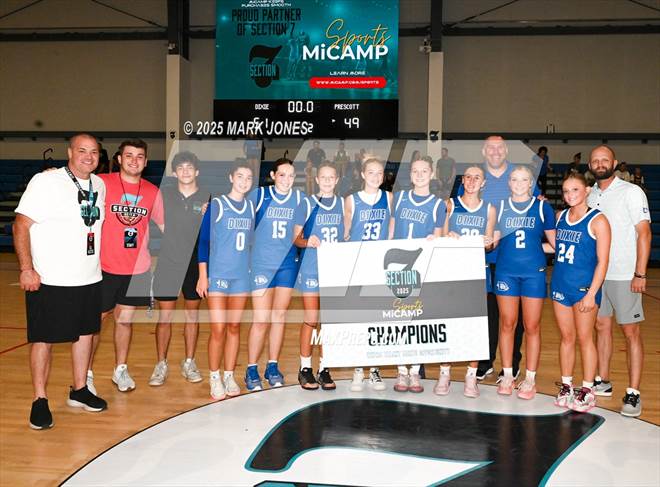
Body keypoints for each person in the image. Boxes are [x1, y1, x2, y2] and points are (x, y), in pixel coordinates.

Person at [14, 133, 107, 429]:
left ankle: (79, 389)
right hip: (50, 279)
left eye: (94, 152)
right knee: (44, 339)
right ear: (69, 152)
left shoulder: (99, 185)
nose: (88, 157)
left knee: (85, 335)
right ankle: (39, 399)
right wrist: (26, 268)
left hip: (89, 276)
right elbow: (20, 225)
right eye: (82, 150)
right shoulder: (46, 182)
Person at [458, 136, 540, 382]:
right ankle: (484, 362)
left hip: (513, 259)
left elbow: (535, 206)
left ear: (506, 150)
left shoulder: (519, 175)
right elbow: (461, 209)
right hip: (481, 258)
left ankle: (511, 364)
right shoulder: (475, 176)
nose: (495, 151)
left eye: (499, 147)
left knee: (514, 319)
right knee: (488, 315)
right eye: (490, 147)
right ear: (484, 151)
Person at [89, 139, 165, 393]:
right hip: (103, 267)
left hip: (137, 269)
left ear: (146, 161)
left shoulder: (152, 192)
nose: (134, 160)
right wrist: (52, 174)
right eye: (129, 155)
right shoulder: (101, 183)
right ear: (120, 159)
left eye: (139, 156)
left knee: (125, 321)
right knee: (94, 322)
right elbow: (74, 184)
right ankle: (85, 373)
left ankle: (120, 369)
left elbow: (166, 227)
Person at [587, 145, 651, 417]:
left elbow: (644, 233)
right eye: (595, 160)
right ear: (590, 165)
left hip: (625, 275)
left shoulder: (631, 191)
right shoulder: (590, 194)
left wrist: (640, 273)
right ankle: (602, 380)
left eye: (605, 159)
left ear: (614, 163)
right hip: (597, 275)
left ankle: (633, 393)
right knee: (601, 327)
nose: (600, 164)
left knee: (630, 332)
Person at [494, 165, 556, 399]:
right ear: (508, 183)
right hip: (506, 273)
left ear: (531, 183)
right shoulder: (499, 207)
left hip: (533, 274)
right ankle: (508, 375)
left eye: (524, 180)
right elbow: (493, 241)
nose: (519, 184)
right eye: (514, 179)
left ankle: (530, 379)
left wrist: (535, 248)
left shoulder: (542, 207)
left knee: (532, 326)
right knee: (507, 324)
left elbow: (555, 245)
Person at [550, 172, 611, 413]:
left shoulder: (599, 220)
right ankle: (567, 385)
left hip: (584, 289)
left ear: (587, 190)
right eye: (566, 191)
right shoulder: (560, 217)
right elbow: (557, 248)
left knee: (585, 338)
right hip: (560, 286)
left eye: (575, 190)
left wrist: (591, 293)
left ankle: (587, 390)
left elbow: (603, 262)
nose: (570, 195)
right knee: (567, 337)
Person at [148, 151, 209, 387]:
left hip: (195, 264)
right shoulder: (163, 195)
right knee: (165, 317)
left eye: (189, 167)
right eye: (180, 168)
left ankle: (189, 362)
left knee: (192, 316)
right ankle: (160, 364)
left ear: (197, 171)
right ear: (174, 173)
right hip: (169, 263)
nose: (185, 171)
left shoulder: (208, 197)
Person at [197, 159, 255, 399]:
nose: (244, 181)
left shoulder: (251, 207)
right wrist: (203, 276)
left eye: (248, 178)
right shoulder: (217, 205)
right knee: (218, 328)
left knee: (233, 327)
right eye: (240, 176)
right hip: (218, 276)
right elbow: (203, 242)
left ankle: (229, 374)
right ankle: (214, 376)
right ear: (231, 178)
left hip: (241, 277)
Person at [245, 158, 304, 390]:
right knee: (261, 319)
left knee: (279, 316)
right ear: (273, 175)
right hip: (261, 264)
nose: (287, 180)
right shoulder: (260, 195)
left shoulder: (299, 199)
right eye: (282, 175)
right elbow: (236, 209)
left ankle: (272, 366)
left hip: (287, 265)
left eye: (291, 175)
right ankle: (251, 368)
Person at [438, 165, 496, 398]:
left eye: (477, 178)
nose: (472, 181)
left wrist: (488, 242)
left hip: (477, 272)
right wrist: (447, 236)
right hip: (453, 272)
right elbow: (440, 236)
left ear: (484, 183)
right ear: (462, 180)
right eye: (468, 177)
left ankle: (471, 376)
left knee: (476, 326)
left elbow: (490, 244)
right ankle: (444, 373)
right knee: (449, 323)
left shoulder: (489, 209)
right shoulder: (450, 204)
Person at [389, 156, 445, 393]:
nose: (419, 175)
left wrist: (435, 240)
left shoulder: (438, 204)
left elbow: (439, 236)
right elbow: (390, 232)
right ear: (410, 174)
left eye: (424, 171)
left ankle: (415, 371)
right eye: (415, 171)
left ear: (432, 174)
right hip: (399, 268)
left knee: (419, 319)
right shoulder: (400, 198)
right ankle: (401, 370)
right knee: (400, 319)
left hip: (422, 268)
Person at [344, 156, 393, 392]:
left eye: (379, 173)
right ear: (363, 174)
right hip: (356, 265)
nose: (375, 176)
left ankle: (374, 368)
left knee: (376, 320)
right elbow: (345, 234)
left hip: (379, 266)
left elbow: (391, 233)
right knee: (358, 319)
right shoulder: (351, 200)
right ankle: (358, 369)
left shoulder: (389, 198)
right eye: (371, 172)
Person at [293, 161, 343, 390]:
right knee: (311, 318)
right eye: (323, 177)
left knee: (329, 322)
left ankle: (325, 368)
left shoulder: (343, 204)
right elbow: (296, 239)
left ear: (337, 180)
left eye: (331, 177)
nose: (327, 181)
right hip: (312, 267)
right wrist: (307, 241)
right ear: (316, 179)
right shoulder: (307, 203)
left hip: (334, 269)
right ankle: (305, 368)